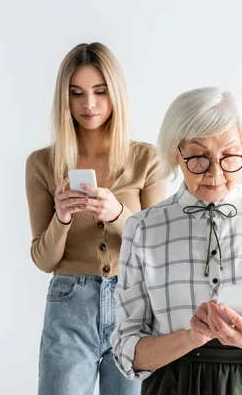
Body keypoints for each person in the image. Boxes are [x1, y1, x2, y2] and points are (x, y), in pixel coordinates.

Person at [112, 87, 242, 395]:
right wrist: (190, 337)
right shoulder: (143, 229)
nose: (215, 173)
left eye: (230, 156)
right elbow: (127, 351)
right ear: (175, 152)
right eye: (198, 157)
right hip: (175, 385)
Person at [25, 42, 166, 395]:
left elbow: (159, 249)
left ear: (115, 93)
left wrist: (118, 214)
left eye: (100, 92)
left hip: (133, 305)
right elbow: (43, 260)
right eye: (77, 93)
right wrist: (62, 218)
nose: (88, 104)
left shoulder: (147, 159)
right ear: (65, 99)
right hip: (69, 304)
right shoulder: (42, 164)